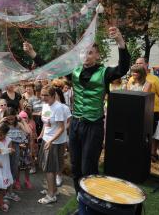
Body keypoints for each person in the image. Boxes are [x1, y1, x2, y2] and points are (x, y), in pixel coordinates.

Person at [23, 26, 130, 194]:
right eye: (83, 52)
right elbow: (52, 68)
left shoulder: (105, 72)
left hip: (93, 125)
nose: (85, 55)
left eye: (90, 52)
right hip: (75, 125)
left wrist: (120, 41)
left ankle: (90, 201)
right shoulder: (75, 72)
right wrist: (32, 53)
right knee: (75, 166)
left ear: (97, 55)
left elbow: (123, 68)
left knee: (89, 166)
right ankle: (81, 199)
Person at [127, 57, 159, 161]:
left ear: (146, 64)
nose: (138, 65)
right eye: (136, 63)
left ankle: (151, 153)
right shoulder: (131, 79)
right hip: (134, 112)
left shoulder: (154, 79)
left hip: (152, 111)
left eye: (140, 63)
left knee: (151, 134)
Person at [37, 86, 67, 205]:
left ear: (53, 96)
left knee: (50, 169)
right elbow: (46, 122)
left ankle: (50, 195)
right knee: (49, 167)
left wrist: (51, 140)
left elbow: (61, 128)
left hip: (54, 142)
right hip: (47, 139)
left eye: (46, 96)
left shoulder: (59, 107)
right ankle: (53, 189)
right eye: (42, 95)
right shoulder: (45, 105)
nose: (43, 97)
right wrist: (41, 134)